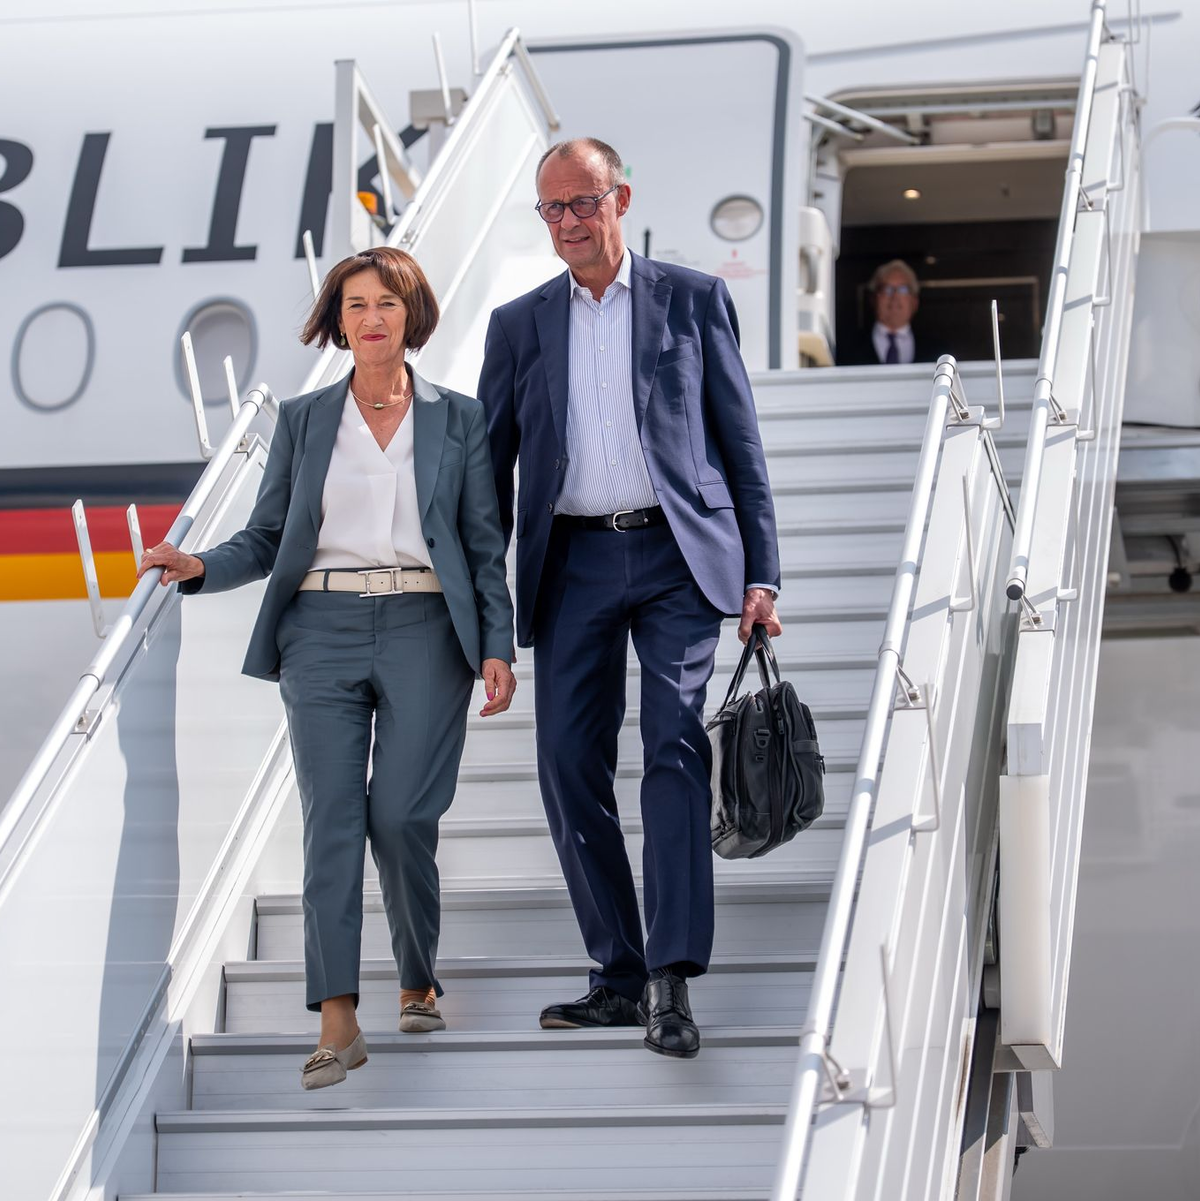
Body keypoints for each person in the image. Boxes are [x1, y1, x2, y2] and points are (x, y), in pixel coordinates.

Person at [137, 247, 516, 1090]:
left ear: (411, 314)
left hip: (427, 626)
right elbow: (269, 537)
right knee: (333, 819)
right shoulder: (306, 419)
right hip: (321, 628)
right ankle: (336, 1018)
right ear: (336, 320)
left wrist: (498, 641)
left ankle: (416, 971)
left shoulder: (459, 418)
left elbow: (486, 545)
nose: (370, 317)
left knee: (403, 817)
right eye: (353, 304)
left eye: (385, 302)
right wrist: (199, 565)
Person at [477, 138, 782, 1060]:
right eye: (552, 210)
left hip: (677, 558)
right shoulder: (518, 324)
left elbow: (741, 445)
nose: (568, 222)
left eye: (583, 203)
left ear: (621, 199)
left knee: (675, 747)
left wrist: (760, 572)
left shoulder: (692, 299)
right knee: (569, 763)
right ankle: (617, 969)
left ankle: (671, 980)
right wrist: (489, 610)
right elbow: (489, 478)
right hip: (569, 563)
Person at [840, 258, 929, 366]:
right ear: (873, 299)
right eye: (887, 289)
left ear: (914, 302)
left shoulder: (937, 352)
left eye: (903, 290)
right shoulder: (847, 348)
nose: (895, 296)